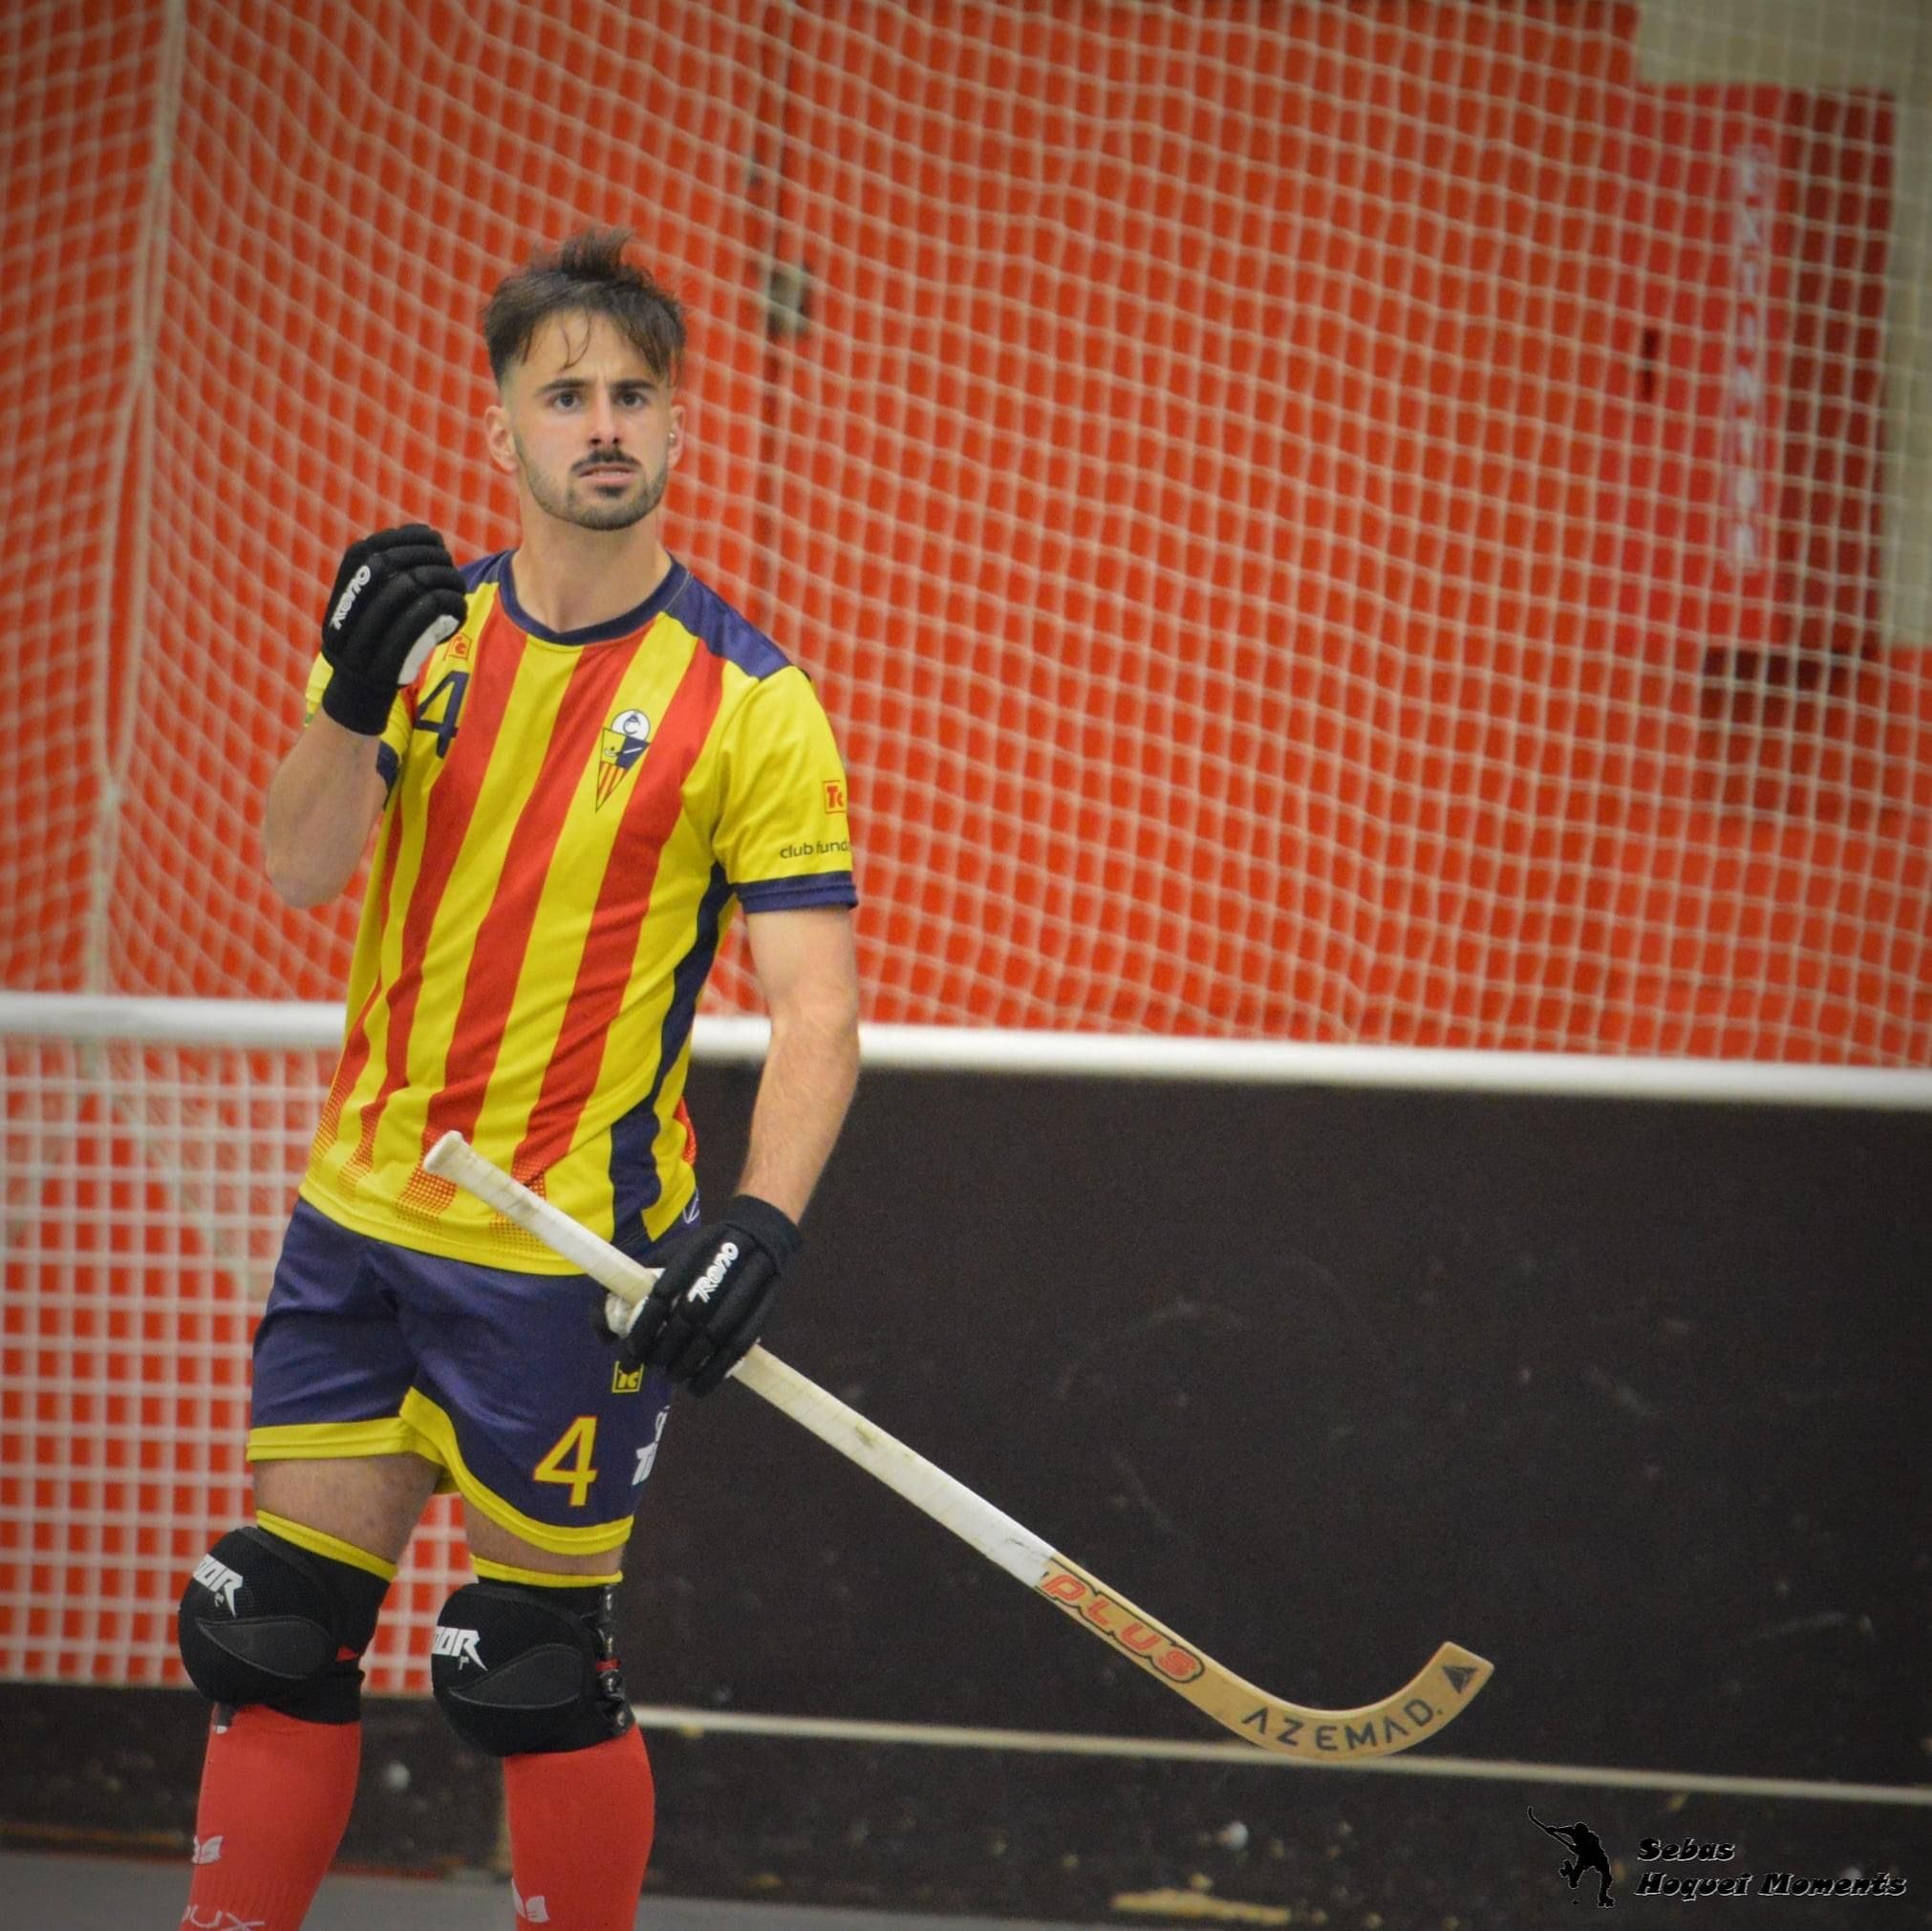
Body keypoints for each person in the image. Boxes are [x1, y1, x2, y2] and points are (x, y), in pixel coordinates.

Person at [176, 228, 862, 1930]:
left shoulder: (754, 704)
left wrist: (758, 1227)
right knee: (270, 1627)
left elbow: (816, 1008)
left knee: (531, 1668)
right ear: (503, 429)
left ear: (681, 428)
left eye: (634, 393)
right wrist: (343, 694)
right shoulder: (417, 638)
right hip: (359, 1223)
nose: (602, 423)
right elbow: (297, 868)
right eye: (566, 394)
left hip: (562, 1264)